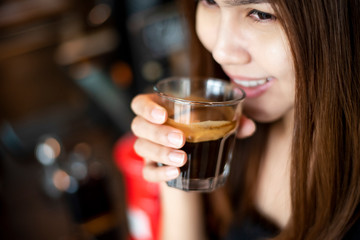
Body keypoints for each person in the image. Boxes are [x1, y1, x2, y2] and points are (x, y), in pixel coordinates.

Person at [130, 0, 360, 239]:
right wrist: (178, 161)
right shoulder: (228, 138)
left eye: (261, 14)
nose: (221, 51)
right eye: (210, 2)